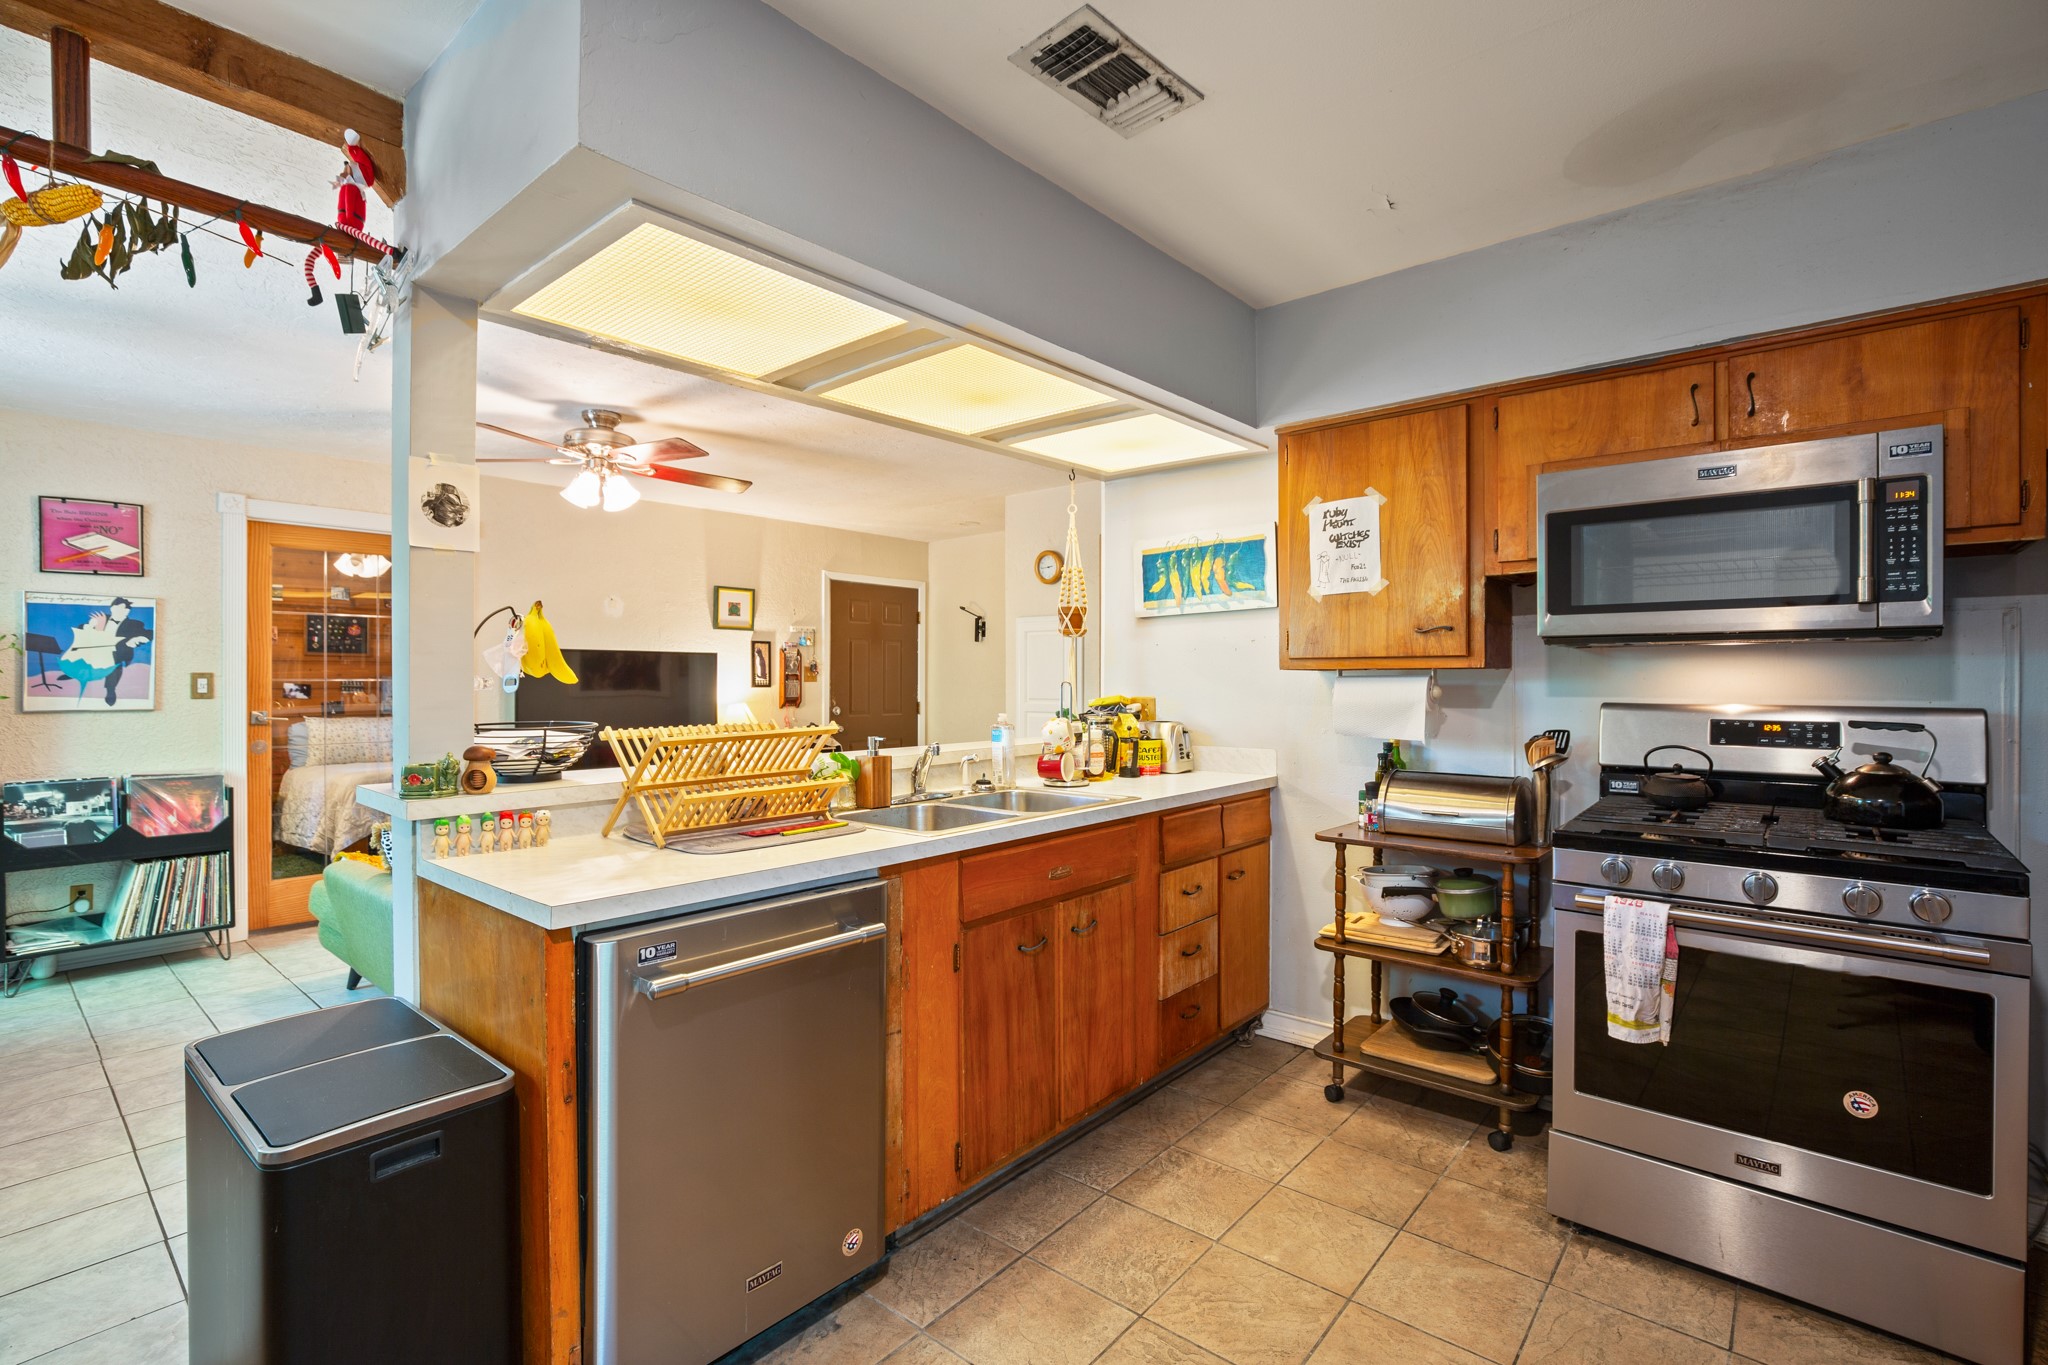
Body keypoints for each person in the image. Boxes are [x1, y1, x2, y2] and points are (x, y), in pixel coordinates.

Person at [103, 598, 151, 707]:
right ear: (112, 608)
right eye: (119, 608)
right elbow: (83, 628)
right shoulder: (101, 619)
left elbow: (149, 634)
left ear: (128, 611)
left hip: (119, 653)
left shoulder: (134, 624)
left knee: (114, 663)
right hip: (98, 651)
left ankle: (110, 690)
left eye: (125, 609)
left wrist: (138, 639)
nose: (122, 611)